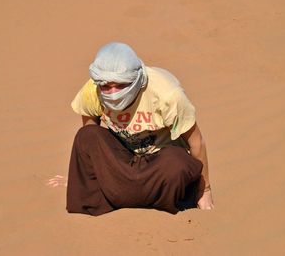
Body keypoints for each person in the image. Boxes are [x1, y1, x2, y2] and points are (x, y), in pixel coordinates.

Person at [66, 42, 214, 216]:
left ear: (136, 79)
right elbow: (91, 137)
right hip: (122, 164)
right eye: (106, 86)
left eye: (120, 85)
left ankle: (134, 197)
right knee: (87, 135)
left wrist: (204, 191)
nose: (113, 92)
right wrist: (83, 177)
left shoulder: (167, 94)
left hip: (160, 167)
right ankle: (108, 201)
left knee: (177, 161)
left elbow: (196, 141)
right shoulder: (92, 90)